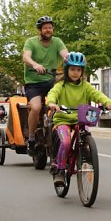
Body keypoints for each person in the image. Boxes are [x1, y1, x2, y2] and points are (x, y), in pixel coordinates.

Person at [46, 52, 111, 187]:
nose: (75, 73)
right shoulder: (61, 85)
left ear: (82, 71)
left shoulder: (85, 86)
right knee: (66, 142)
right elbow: (52, 94)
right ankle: (60, 170)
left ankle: (83, 158)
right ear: (67, 70)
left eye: (78, 70)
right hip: (63, 119)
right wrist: (51, 103)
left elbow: (97, 95)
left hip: (80, 120)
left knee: (85, 139)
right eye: (72, 69)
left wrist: (108, 103)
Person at [22, 16, 69, 151]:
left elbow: (66, 55)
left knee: (63, 105)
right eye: (45, 28)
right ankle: (31, 138)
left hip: (51, 82)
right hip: (34, 83)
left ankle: (59, 131)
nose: (48, 30)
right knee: (36, 108)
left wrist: (72, 59)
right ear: (40, 30)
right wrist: (35, 65)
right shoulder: (31, 42)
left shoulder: (57, 42)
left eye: (50, 27)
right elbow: (26, 57)